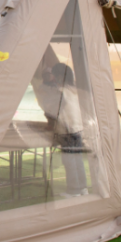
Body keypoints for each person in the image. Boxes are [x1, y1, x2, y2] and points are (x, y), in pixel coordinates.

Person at [32, 58, 88, 197]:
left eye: (54, 74)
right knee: (77, 159)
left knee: (69, 160)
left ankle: (74, 190)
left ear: (58, 76)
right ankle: (82, 188)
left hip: (67, 129)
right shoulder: (73, 89)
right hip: (77, 128)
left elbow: (52, 109)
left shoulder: (60, 91)